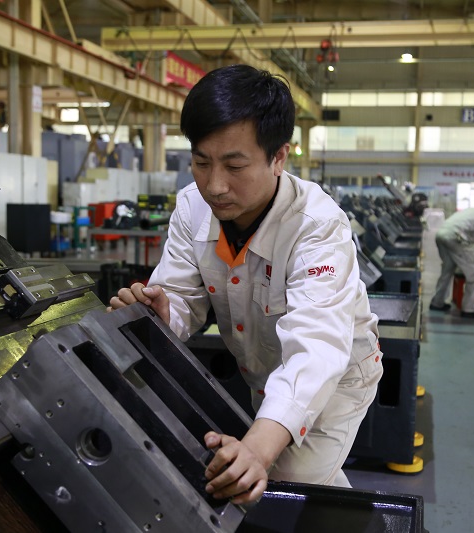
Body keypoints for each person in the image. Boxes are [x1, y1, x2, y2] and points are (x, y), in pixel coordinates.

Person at [108, 64, 383, 504]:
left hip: (336, 377)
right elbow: (182, 298)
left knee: (281, 486)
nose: (215, 185)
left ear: (279, 157)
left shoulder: (317, 226)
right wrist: (163, 313)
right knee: (286, 481)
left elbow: (316, 348)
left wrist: (257, 449)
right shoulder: (192, 208)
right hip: (265, 372)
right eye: (201, 162)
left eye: (235, 165)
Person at [429, 199, 474, 318]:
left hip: (441, 235)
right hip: (456, 238)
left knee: (448, 269)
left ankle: (437, 302)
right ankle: (471, 309)